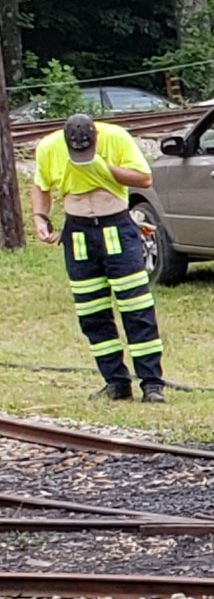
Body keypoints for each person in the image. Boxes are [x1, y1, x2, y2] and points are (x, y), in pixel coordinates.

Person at [30, 112, 166, 403]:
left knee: (136, 305)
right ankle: (115, 382)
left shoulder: (116, 137)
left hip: (116, 226)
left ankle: (152, 384)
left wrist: (102, 168)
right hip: (78, 233)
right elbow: (40, 185)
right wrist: (40, 218)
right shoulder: (49, 147)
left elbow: (143, 178)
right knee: (92, 311)